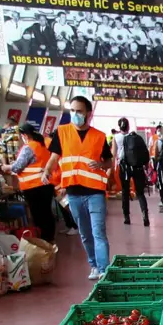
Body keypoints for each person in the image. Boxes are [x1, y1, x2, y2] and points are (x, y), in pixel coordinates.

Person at [40, 95, 114, 280]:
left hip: (95, 192)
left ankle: (104, 269)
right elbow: (54, 158)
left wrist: (101, 165)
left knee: (98, 232)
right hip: (74, 193)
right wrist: (46, 172)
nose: (75, 114)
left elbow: (109, 162)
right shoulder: (62, 132)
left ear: (88, 113)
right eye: (72, 110)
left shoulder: (99, 136)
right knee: (85, 234)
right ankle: (94, 266)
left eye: (79, 111)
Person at [1, 123, 59, 242]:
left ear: (25, 135)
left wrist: (6, 167)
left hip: (34, 187)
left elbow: (18, 167)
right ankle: (49, 237)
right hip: (46, 184)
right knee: (46, 212)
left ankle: (43, 239)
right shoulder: (42, 145)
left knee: (38, 214)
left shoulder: (29, 147)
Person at [115, 117, 150, 226]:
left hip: (124, 168)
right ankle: (145, 215)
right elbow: (145, 152)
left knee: (125, 192)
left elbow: (113, 154)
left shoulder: (116, 137)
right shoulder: (136, 137)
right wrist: (146, 166)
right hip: (137, 167)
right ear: (128, 126)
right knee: (140, 193)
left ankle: (126, 217)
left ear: (119, 126)